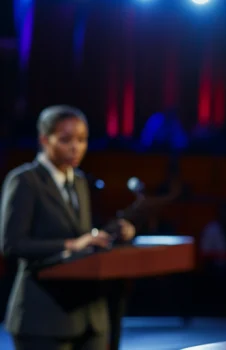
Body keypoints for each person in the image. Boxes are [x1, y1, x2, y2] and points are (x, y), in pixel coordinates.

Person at [0, 105, 136, 350]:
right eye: (66, 140)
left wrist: (116, 232)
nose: (76, 147)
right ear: (44, 139)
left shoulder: (81, 181)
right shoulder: (24, 181)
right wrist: (71, 245)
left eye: (82, 140)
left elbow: (82, 232)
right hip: (42, 318)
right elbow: (12, 245)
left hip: (89, 316)